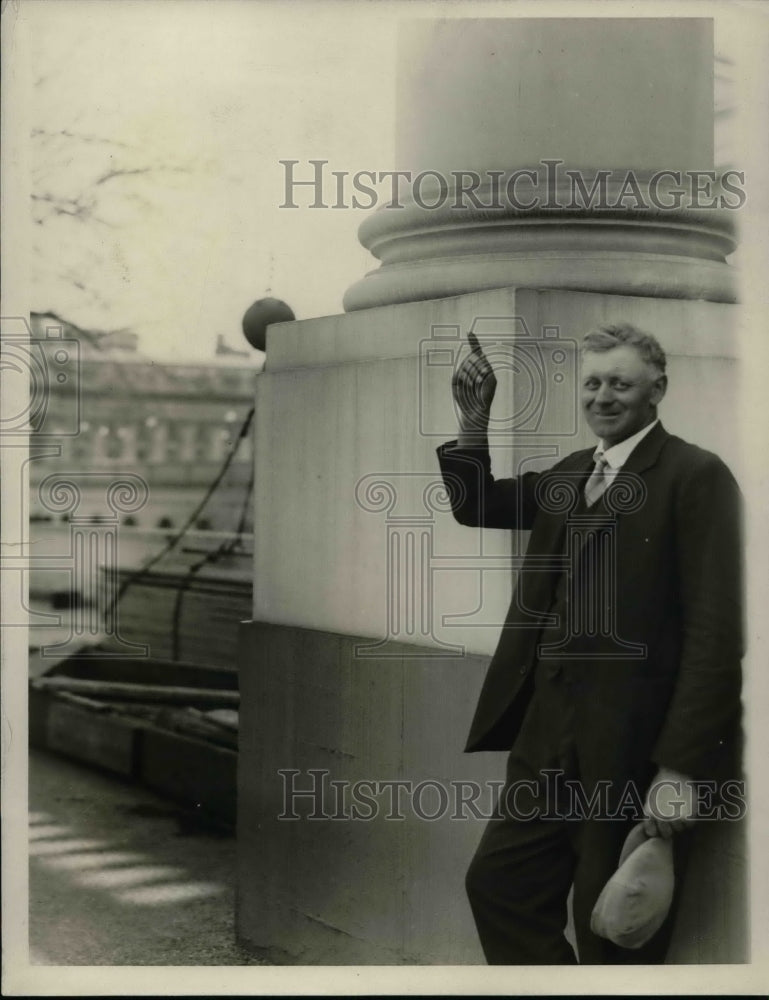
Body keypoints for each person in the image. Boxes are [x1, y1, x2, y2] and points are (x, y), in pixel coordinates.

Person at [436, 323, 743, 964]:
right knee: (499, 887)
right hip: (545, 738)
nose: (603, 397)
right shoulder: (574, 473)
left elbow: (716, 637)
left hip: (632, 742)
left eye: (621, 384)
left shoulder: (696, 476)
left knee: (610, 930)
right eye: (594, 382)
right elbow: (477, 504)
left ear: (656, 390)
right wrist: (473, 419)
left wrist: (679, 768)